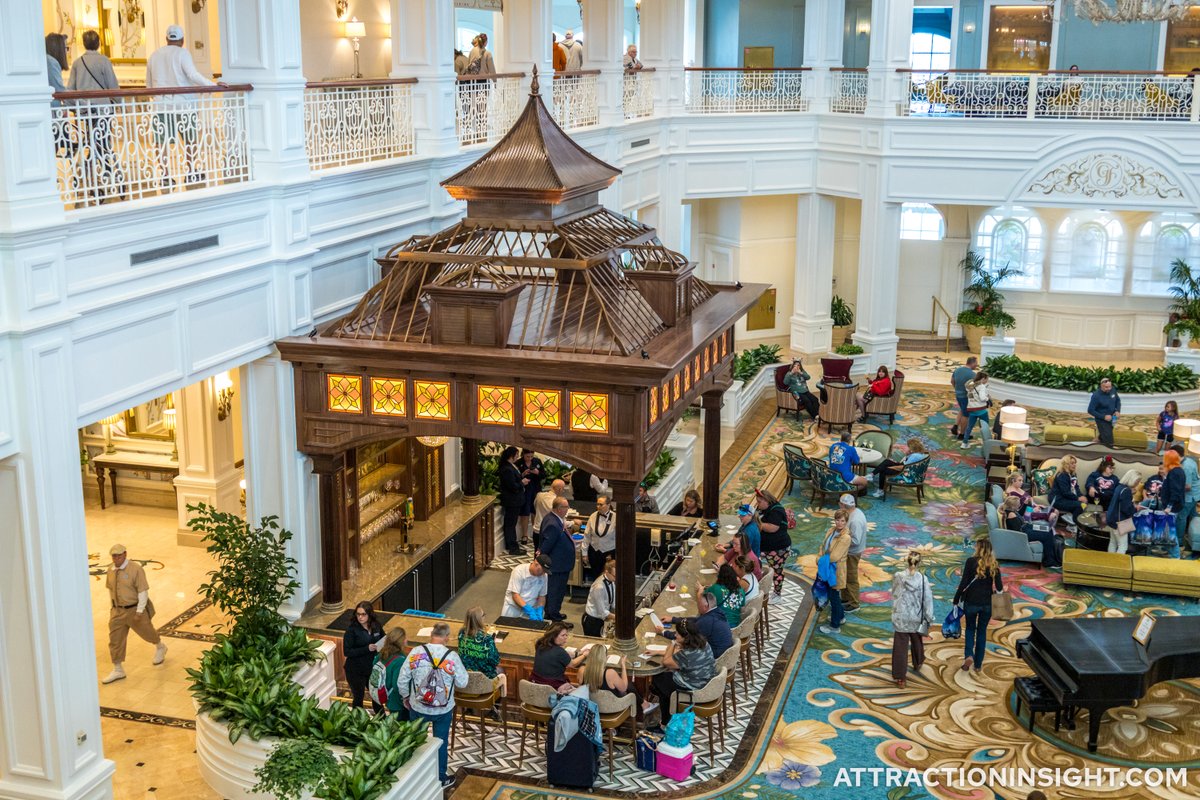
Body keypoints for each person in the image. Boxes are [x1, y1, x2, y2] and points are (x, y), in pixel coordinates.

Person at [146, 25, 222, 186]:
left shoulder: (154, 55)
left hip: (161, 105)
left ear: (167, 39)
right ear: (182, 40)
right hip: (184, 105)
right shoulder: (183, 53)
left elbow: (149, 84)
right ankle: (191, 171)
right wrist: (213, 85)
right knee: (190, 139)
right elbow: (193, 75)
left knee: (161, 142)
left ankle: (165, 176)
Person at [396, 622, 468, 788]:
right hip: (443, 709)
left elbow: (402, 679)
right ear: (447, 637)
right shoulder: (451, 656)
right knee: (440, 742)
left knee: (417, 741)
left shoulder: (416, 652)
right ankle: (440, 778)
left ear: (431, 634)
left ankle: (415, 777)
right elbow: (463, 682)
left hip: (418, 706)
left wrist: (405, 697)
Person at [102, 544, 168, 684]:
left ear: (125, 554)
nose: (116, 558)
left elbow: (142, 591)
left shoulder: (135, 569)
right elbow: (110, 589)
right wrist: (112, 607)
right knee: (115, 640)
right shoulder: (110, 570)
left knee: (147, 632)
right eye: (114, 556)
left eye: (119, 555)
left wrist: (139, 611)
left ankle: (160, 646)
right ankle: (118, 669)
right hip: (117, 611)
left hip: (134, 610)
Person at [649, 619, 715, 728]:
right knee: (664, 686)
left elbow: (666, 662)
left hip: (694, 687)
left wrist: (673, 642)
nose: (675, 635)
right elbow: (678, 655)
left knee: (659, 679)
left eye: (677, 634)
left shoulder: (687, 654)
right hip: (707, 681)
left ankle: (665, 722)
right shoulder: (703, 643)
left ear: (685, 637)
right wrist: (657, 652)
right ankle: (667, 706)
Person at [952, 538, 1002, 673]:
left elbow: (963, 583)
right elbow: (999, 587)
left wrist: (956, 599)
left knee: (969, 629)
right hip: (987, 604)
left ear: (978, 548)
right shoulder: (994, 564)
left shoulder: (970, 562)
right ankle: (978, 664)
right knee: (982, 632)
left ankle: (969, 655)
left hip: (971, 602)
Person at [890, 550, 934, 688]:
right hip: (916, 615)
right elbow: (927, 599)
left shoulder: (898, 576)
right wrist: (929, 616)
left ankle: (900, 677)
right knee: (916, 639)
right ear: (919, 563)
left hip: (902, 615)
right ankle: (918, 661)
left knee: (900, 646)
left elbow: (895, 593)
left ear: (906, 561)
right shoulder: (923, 579)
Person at [656, 590, 733, 658]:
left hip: (715, 656)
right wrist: (673, 619)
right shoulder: (716, 612)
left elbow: (685, 636)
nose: (697, 605)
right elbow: (695, 620)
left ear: (706, 606)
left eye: (699, 603)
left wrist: (663, 632)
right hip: (724, 652)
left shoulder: (707, 621)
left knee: (678, 653)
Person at [538, 495, 577, 621]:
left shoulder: (555, 519)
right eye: (566, 507)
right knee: (556, 591)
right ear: (559, 508)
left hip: (561, 565)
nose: (568, 509)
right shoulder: (553, 524)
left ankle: (553, 612)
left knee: (557, 591)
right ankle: (553, 616)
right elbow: (546, 547)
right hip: (556, 566)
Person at [343, 601, 386, 711]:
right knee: (358, 697)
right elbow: (347, 652)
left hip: (371, 668)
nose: (360, 617)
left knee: (375, 697)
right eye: (358, 614)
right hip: (355, 670)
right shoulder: (352, 630)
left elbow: (383, 638)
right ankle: (358, 721)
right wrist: (366, 649)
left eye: (363, 614)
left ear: (369, 614)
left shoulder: (376, 626)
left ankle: (381, 721)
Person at [1002, 495, 1061, 569]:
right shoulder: (1011, 515)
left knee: (1048, 530)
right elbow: (1017, 531)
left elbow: (1020, 513)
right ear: (1013, 506)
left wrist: (1025, 504)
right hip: (1025, 533)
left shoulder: (1012, 511)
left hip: (1027, 527)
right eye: (1018, 504)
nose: (1019, 505)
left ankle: (1052, 557)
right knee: (1047, 535)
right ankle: (1049, 562)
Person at [817, 510, 851, 634]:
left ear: (846, 522)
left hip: (835, 571)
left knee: (834, 597)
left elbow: (835, 556)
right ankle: (840, 617)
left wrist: (820, 560)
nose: (839, 523)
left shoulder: (846, 538)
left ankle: (834, 626)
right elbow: (823, 546)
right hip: (827, 567)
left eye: (843, 521)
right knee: (834, 595)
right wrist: (820, 556)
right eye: (837, 520)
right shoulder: (831, 530)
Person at [457, 606, 504, 694]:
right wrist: (492, 644)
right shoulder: (486, 638)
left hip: (466, 678)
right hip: (484, 679)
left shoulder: (461, 633)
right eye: (483, 615)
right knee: (501, 671)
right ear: (479, 619)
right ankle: (493, 704)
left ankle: (470, 706)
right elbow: (495, 661)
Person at [531, 621, 587, 690]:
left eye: (566, 635)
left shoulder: (540, 644)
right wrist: (584, 655)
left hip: (535, 683)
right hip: (552, 688)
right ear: (553, 636)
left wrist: (577, 654)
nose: (566, 637)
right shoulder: (559, 651)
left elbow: (556, 656)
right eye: (563, 635)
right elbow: (572, 664)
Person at [755, 488, 790, 597]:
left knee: (777, 571)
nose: (758, 504)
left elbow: (772, 528)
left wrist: (757, 523)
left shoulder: (777, 510)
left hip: (778, 548)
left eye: (759, 502)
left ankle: (777, 594)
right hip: (764, 547)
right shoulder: (763, 509)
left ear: (766, 500)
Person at [1171, 441, 1200, 553]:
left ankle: (1179, 543)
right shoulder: (1190, 460)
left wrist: (1173, 489)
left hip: (1189, 496)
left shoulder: (1186, 467)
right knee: (1193, 516)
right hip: (1196, 495)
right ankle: (1191, 537)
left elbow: (1187, 486)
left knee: (1181, 518)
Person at [840, 494, 867, 612]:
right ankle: (846, 598)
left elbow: (856, 540)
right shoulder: (853, 513)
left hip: (852, 552)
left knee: (851, 577)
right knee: (844, 575)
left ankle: (854, 603)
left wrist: (841, 539)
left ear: (843, 505)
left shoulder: (855, 520)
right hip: (848, 551)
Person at [498, 445, 527, 555]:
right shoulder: (507, 469)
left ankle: (512, 544)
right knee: (510, 524)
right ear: (512, 456)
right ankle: (513, 547)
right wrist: (522, 483)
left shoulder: (510, 466)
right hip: (512, 500)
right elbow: (512, 485)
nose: (518, 457)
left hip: (514, 500)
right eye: (516, 455)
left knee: (511, 523)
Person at [374, 627, 409, 719]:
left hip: (387, 697)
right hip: (398, 702)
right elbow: (397, 685)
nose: (407, 640)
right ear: (400, 642)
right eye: (405, 638)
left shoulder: (380, 655)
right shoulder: (400, 661)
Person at [501, 554, 550, 619]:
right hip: (513, 608)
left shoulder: (544, 576)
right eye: (542, 570)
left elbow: (542, 596)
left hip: (531, 608)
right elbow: (515, 595)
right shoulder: (519, 571)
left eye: (545, 571)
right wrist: (528, 610)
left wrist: (539, 609)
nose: (543, 573)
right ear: (536, 563)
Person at [1106, 470, 1140, 555]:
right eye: (1137, 481)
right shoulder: (1126, 491)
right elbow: (1126, 509)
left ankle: (1110, 562)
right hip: (1120, 521)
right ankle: (1118, 566)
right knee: (1123, 546)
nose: (1138, 483)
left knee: (1113, 542)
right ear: (1133, 480)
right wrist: (1136, 509)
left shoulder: (1119, 487)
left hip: (1111, 518)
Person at [583, 495, 616, 580]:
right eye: (597, 504)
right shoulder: (593, 516)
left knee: (609, 576)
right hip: (595, 551)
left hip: (609, 552)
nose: (598, 507)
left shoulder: (615, 518)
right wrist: (584, 553)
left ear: (608, 505)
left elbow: (619, 538)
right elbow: (587, 535)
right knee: (596, 576)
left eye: (601, 505)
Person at [581, 557, 616, 637]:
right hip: (592, 620)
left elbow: (613, 602)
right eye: (614, 576)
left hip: (600, 619)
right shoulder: (599, 587)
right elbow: (602, 612)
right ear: (606, 572)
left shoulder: (612, 582)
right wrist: (618, 618)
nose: (616, 578)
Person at [1049, 455, 1085, 532]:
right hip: (1058, 499)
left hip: (1067, 498)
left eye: (1075, 463)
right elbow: (1065, 492)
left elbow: (1076, 487)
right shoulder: (1062, 475)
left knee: (1084, 503)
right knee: (1080, 505)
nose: (1074, 465)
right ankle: (1073, 524)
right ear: (1066, 464)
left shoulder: (1073, 474)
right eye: (1072, 463)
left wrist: (1081, 496)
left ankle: (1069, 518)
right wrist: (1078, 498)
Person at [1162, 449, 1187, 558]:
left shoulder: (1174, 472)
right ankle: (1170, 551)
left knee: (1170, 532)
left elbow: (1175, 492)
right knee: (1168, 530)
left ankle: (1175, 555)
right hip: (1175, 506)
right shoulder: (1179, 470)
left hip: (1172, 507)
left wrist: (1169, 506)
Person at [517, 448, 544, 547]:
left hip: (536, 489)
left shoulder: (537, 462)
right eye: (527, 456)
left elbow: (544, 475)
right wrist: (523, 474)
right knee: (525, 512)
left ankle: (535, 533)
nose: (529, 458)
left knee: (535, 511)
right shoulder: (518, 463)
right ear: (523, 454)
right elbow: (515, 477)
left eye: (531, 456)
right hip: (524, 490)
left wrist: (537, 472)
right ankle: (524, 535)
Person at [949, 356, 979, 439]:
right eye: (976, 363)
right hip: (965, 397)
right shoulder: (973, 374)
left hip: (958, 395)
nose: (976, 365)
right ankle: (962, 434)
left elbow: (952, 381)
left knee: (962, 410)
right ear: (972, 363)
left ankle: (955, 427)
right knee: (966, 415)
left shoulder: (957, 370)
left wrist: (957, 389)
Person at [960, 372, 991, 449]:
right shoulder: (981, 386)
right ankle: (987, 444)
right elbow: (982, 398)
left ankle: (964, 443)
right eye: (987, 379)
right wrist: (988, 398)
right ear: (983, 379)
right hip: (981, 410)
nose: (987, 381)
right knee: (985, 427)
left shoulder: (970, 385)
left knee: (969, 427)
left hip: (972, 409)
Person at [1087, 377, 1121, 447]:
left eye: (1110, 386)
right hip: (1101, 420)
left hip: (1112, 418)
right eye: (1106, 387)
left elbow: (1118, 401)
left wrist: (1118, 410)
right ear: (1101, 386)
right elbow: (1090, 410)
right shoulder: (1096, 396)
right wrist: (1104, 417)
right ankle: (1107, 455)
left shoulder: (1113, 390)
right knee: (1109, 442)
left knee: (1105, 435)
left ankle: (1094, 443)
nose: (1109, 388)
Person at [533, 479, 569, 544]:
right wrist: (573, 522)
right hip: (548, 531)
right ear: (560, 489)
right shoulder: (556, 502)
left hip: (536, 530)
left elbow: (534, 506)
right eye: (563, 489)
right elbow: (561, 519)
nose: (563, 491)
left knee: (537, 552)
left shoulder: (539, 495)